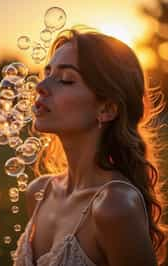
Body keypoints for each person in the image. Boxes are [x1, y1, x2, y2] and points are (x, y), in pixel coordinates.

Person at [13, 26, 168, 266]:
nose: (40, 86)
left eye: (65, 80)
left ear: (106, 109)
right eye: (47, 73)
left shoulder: (115, 206)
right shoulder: (39, 192)